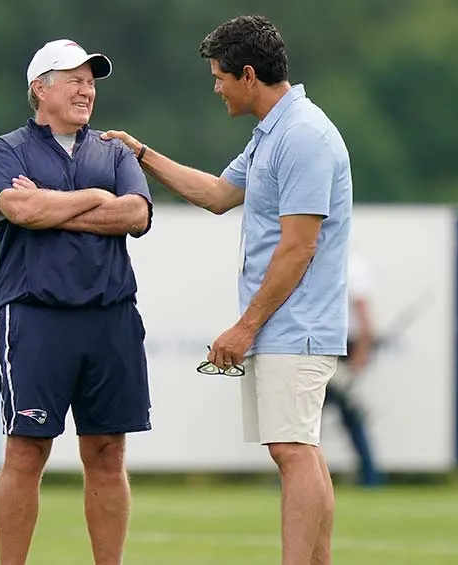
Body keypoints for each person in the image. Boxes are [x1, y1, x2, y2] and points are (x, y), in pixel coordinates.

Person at [102, 15, 352, 565]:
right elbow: (217, 193)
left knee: (292, 451)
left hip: (299, 324)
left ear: (247, 74)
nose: (215, 88)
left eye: (219, 77)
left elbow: (299, 247)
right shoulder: (274, 133)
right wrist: (141, 153)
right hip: (287, 324)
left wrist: (245, 326)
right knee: (299, 450)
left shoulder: (304, 136)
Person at [0, 39, 153, 565]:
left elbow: (134, 216)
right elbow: (19, 208)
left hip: (110, 317)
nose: (86, 88)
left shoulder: (115, 151)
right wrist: (97, 198)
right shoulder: (5, 151)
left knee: (107, 453)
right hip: (36, 316)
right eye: (72, 78)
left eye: (90, 80)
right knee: (26, 452)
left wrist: (56, 208)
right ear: (39, 88)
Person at [324, 250, 384, 487]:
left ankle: (370, 476)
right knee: (308, 417)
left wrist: (358, 361)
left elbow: (365, 321)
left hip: (342, 351)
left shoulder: (351, 266)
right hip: (325, 347)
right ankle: (370, 476)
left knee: (349, 415)